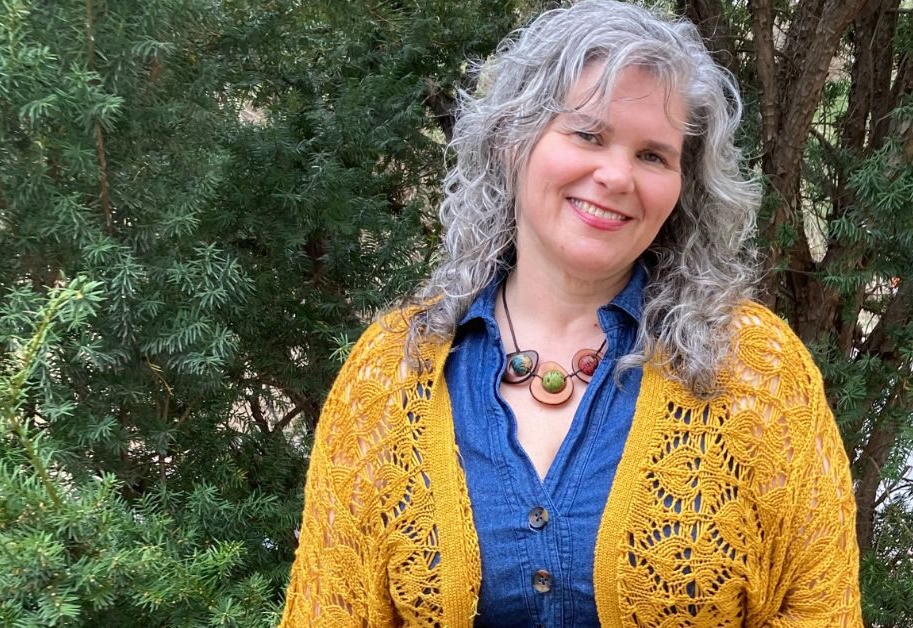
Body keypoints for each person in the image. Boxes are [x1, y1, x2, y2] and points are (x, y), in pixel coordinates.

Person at [279, 1, 862, 625]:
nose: (616, 175)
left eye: (653, 155)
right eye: (588, 134)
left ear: (682, 187)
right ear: (513, 141)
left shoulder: (754, 369)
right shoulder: (392, 370)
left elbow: (818, 610)